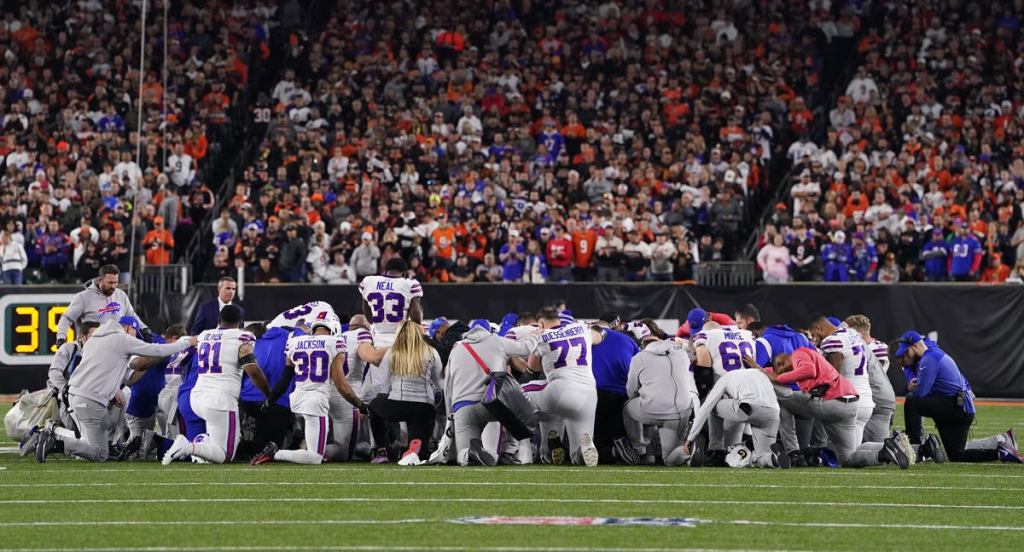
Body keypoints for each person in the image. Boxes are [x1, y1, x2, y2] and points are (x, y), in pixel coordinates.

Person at [34, 316, 195, 462]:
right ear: (128, 329)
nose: (134, 337)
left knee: (117, 404)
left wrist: (114, 389)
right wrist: (186, 343)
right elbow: (156, 350)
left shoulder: (95, 339)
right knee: (99, 453)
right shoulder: (121, 339)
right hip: (89, 400)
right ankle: (55, 440)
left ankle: (102, 442)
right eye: (134, 333)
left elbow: (126, 376)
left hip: (76, 395)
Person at [767, 348, 912, 469]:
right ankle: (884, 451)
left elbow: (808, 370)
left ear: (781, 363)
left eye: (780, 371)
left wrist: (778, 379)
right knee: (848, 458)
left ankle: (793, 452)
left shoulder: (798, 353)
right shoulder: (814, 356)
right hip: (849, 405)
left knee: (783, 399)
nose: (782, 374)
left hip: (831, 401)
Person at [162, 305, 272, 464]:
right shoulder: (243, 337)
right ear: (241, 323)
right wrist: (268, 393)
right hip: (220, 400)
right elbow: (253, 370)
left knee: (217, 447)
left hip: (197, 397)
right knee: (226, 455)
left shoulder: (204, 335)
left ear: (219, 320)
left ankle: (198, 446)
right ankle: (188, 447)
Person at [252, 319, 366, 465]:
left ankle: (291, 451)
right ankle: (276, 453)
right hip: (316, 401)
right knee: (315, 457)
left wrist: (270, 400)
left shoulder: (294, 341)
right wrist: (360, 404)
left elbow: (285, 379)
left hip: (298, 399)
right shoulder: (334, 342)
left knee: (315, 449)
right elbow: (341, 385)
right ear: (333, 331)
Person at [896, 331, 1022, 463]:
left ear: (916, 346)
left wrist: (908, 387)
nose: (905, 356)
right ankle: (1001, 452)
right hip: (959, 408)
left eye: (907, 352)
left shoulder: (929, 359)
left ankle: (914, 448)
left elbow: (920, 393)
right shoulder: (931, 354)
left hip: (956, 408)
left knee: (912, 402)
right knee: (956, 455)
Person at [444, 319, 538, 466]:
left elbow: (448, 387)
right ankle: (511, 450)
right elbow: (526, 348)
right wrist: (536, 335)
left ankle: (470, 453)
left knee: (462, 456)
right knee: (515, 404)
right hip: (492, 404)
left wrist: (451, 415)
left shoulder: (456, 349)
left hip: (462, 408)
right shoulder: (496, 341)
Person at [524, 307, 599, 466]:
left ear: (541, 323)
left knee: (513, 393)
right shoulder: (581, 327)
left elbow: (533, 367)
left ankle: (521, 449)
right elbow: (598, 337)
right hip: (588, 395)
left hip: (561, 388)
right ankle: (581, 450)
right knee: (578, 457)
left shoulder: (542, 335)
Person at [367, 319, 444, 465]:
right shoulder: (431, 352)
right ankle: (414, 448)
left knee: (373, 405)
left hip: (398, 405)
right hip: (423, 407)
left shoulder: (392, 352)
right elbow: (440, 384)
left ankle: (381, 449)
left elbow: (381, 385)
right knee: (419, 455)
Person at [684, 368, 785, 468]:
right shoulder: (759, 373)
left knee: (713, 405)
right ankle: (773, 458)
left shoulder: (725, 378)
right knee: (761, 457)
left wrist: (690, 438)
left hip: (749, 407)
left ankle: (716, 451)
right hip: (773, 413)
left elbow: (706, 407)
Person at [621, 336, 695, 466]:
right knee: (669, 460)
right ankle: (687, 450)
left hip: (651, 410)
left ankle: (640, 450)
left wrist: (644, 392)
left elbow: (630, 391)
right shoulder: (681, 354)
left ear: (643, 347)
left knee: (628, 406)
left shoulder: (639, 357)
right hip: (681, 412)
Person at [691, 320, 756, 464]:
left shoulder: (705, 336)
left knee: (711, 402)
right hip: (753, 393)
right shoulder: (747, 335)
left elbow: (703, 370)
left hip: (732, 395)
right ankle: (745, 449)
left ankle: (716, 450)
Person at [359, 258, 424, 399]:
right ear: (404, 272)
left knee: (378, 390)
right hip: (401, 341)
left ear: (385, 270)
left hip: (378, 343)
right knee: (400, 389)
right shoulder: (409, 284)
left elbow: (368, 315)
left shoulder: (369, 282)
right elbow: (415, 316)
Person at [807, 315, 875, 444]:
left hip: (848, 402)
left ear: (818, 328)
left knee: (845, 456)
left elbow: (832, 376)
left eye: (814, 335)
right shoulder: (853, 334)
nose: (814, 339)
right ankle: (884, 450)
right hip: (865, 400)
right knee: (852, 454)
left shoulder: (832, 340)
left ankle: (883, 453)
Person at [330, 315, 389, 460]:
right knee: (344, 453)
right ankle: (310, 452)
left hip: (329, 391)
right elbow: (372, 357)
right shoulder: (362, 334)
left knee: (351, 444)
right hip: (348, 394)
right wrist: (396, 346)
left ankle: (312, 448)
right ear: (365, 326)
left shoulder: (339, 336)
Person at [56, 264, 148, 347]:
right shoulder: (83, 297)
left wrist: (144, 328)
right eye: (110, 283)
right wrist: (61, 337)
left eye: (116, 282)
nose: (113, 286)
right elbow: (67, 318)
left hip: (117, 347)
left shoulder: (121, 294)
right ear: (100, 280)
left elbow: (131, 315)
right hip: (92, 348)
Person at [590, 313, 640, 464]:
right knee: (616, 430)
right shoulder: (629, 341)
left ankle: (613, 451)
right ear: (616, 325)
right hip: (623, 396)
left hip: (594, 393)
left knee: (597, 444)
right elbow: (638, 368)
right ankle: (620, 447)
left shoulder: (586, 337)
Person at [843, 315, 896, 444]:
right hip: (869, 396)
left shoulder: (878, 348)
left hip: (873, 396)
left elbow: (873, 375)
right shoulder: (867, 347)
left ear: (858, 332)